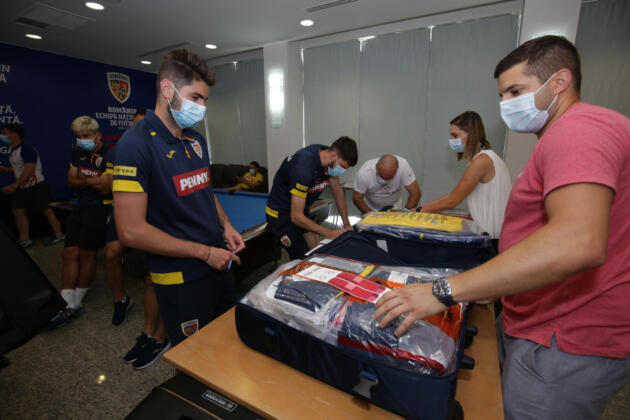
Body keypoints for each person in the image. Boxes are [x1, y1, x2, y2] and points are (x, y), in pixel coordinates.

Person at [373, 35, 630, 420]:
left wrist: (443, 291)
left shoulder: (579, 129)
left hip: (564, 338)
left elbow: (576, 242)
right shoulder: (566, 134)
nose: (507, 104)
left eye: (516, 91)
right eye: (502, 95)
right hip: (541, 320)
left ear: (560, 82)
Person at [113, 49, 244, 349]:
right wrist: (205, 253)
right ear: (167, 89)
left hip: (217, 261)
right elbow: (130, 231)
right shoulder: (135, 144)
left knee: (227, 339)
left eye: (205, 100)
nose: (201, 107)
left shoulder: (196, 139)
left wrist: (226, 226)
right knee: (193, 354)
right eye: (195, 97)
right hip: (180, 275)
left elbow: (205, 190)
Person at [51, 116, 112, 326]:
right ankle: (66, 300)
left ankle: (76, 302)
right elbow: (71, 182)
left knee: (87, 254)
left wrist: (82, 180)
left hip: (100, 208)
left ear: (98, 135)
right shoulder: (76, 152)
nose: (82, 140)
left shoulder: (110, 154)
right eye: (78, 136)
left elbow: (106, 188)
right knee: (68, 253)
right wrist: (92, 180)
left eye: (86, 135)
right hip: (80, 206)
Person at [420, 111, 511, 244]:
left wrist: (419, 210)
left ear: (471, 134)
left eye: (455, 135)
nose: (451, 140)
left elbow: (453, 200)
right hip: (495, 235)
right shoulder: (488, 157)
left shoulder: (481, 161)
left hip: (491, 239)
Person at [265, 136, 358, 260]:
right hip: (280, 214)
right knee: (301, 257)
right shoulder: (303, 168)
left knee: (316, 252)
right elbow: (296, 217)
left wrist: (346, 224)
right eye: (342, 167)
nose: (341, 171)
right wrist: (329, 233)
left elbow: (337, 190)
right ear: (333, 155)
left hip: (301, 209)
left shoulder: (328, 157)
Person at [0, 123, 64, 247]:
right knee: (18, 211)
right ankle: (25, 239)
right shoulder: (15, 150)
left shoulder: (27, 149)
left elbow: (29, 170)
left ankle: (59, 235)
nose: (2, 136)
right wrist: (7, 170)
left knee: (46, 210)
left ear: (14, 134)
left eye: (4, 133)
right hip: (23, 187)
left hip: (36, 185)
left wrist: (14, 186)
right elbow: (21, 167)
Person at [352, 154, 421, 213]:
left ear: (397, 169)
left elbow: (415, 193)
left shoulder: (403, 167)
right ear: (376, 167)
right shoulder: (364, 172)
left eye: (389, 178)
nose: (385, 181)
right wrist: (371, 215)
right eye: (382, 176)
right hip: (370, 208)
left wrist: (405, 213)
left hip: (396, 208)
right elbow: (357, 198)